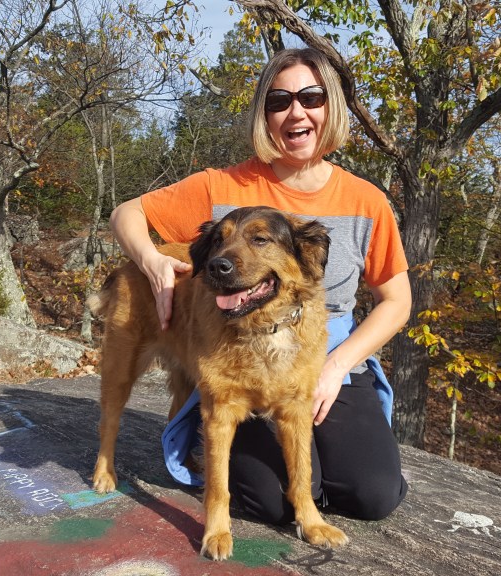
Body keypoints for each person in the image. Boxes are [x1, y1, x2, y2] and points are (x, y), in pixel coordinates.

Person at [109, 47, 411, 524]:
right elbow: (128, 213)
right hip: (235, 351)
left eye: (311, 97)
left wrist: (336, 367)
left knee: (372, 494)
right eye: (279, 101)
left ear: (331, 106)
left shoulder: (366, 201)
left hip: (328, 354)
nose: (296, 112)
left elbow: (396, 301)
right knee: (272, 503)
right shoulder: (221, 187)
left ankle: (326, 468)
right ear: (264, 115)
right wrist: (151, 262)